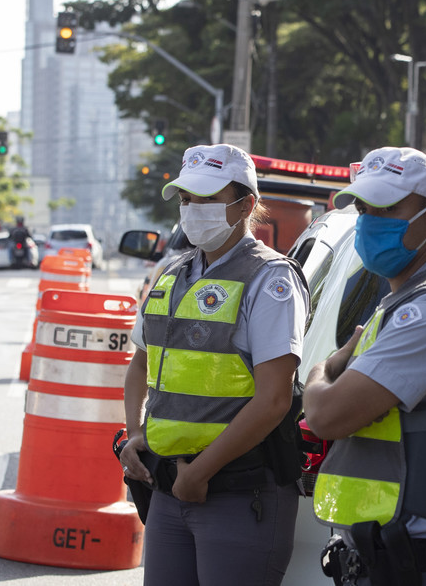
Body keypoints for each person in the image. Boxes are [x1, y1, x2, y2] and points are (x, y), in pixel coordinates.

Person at [303, 146, 426, 586]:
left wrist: (324, 369)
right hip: (390, 558)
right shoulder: (407, 301)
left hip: (412, 563)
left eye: (387, 208)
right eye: (363, 207)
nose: (368, 220)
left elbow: (325, 415)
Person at [118, 143, 309, 586]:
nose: (192, 209)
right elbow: (139, 364)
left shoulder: (270, 279)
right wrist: (135, 434)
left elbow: (275, 398)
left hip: (237, 494)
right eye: (187, 200)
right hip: (169, 489)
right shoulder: (172, 275)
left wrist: (200, 472)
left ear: (246, 205)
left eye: (207, 199)